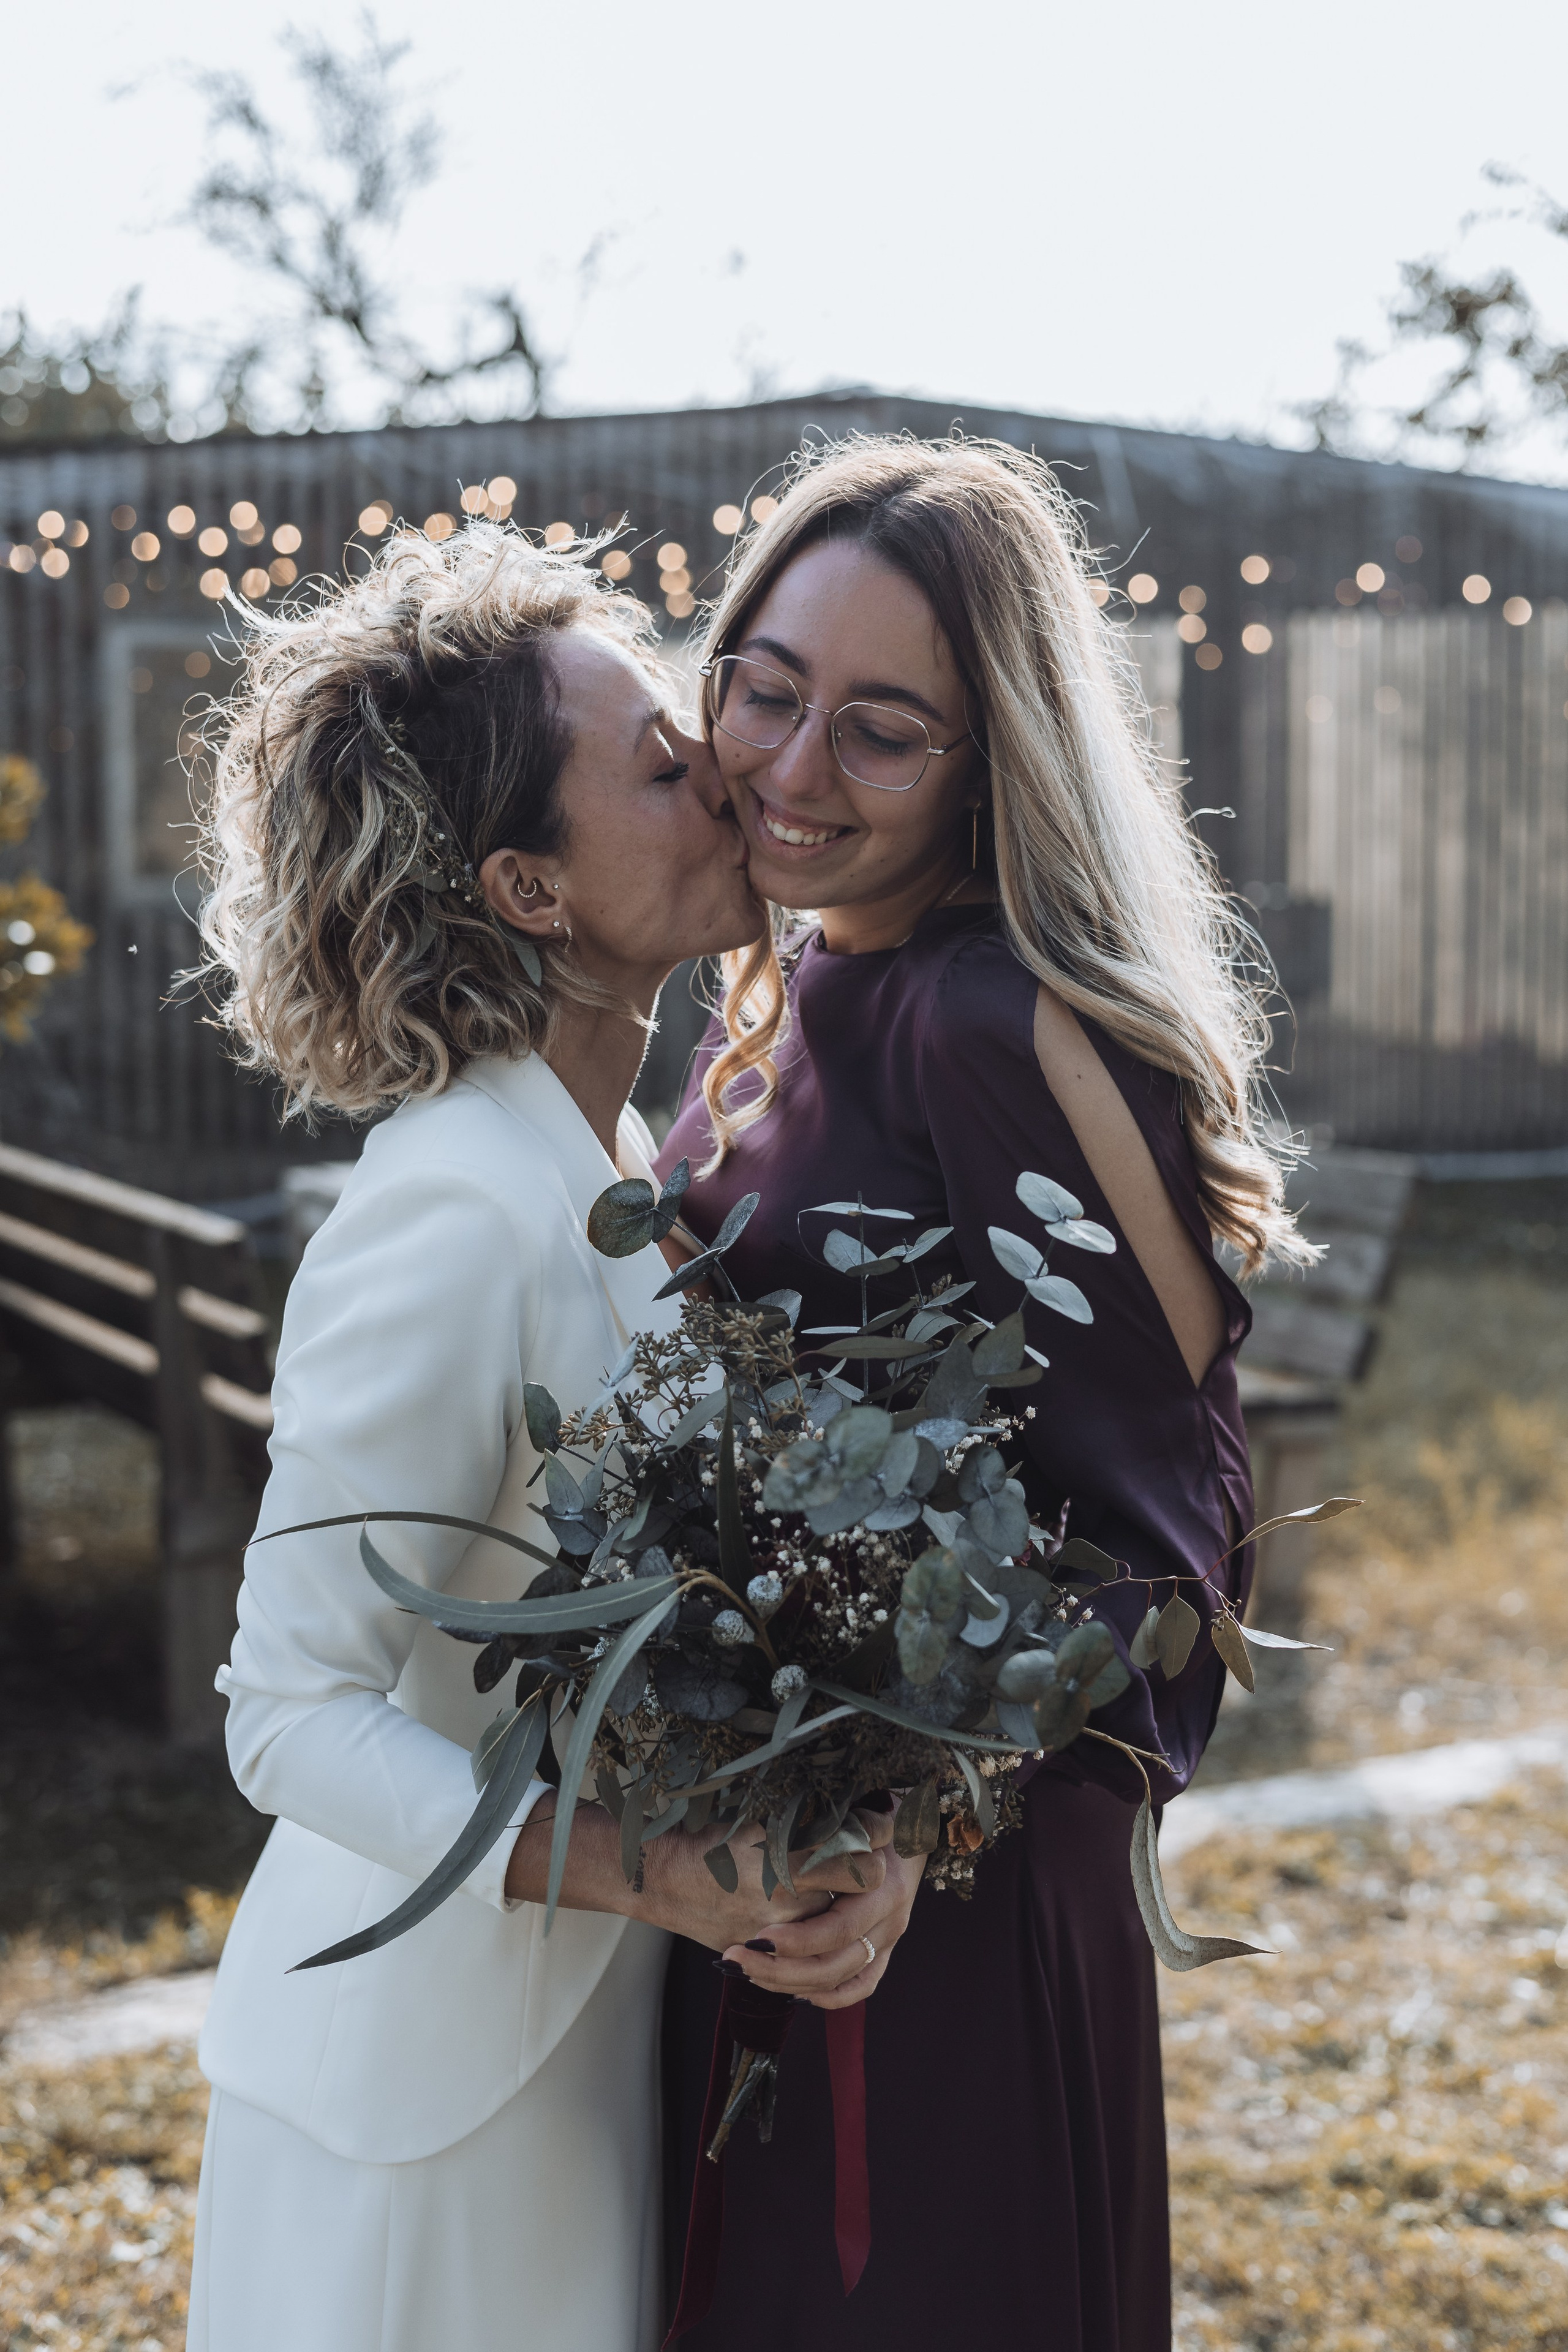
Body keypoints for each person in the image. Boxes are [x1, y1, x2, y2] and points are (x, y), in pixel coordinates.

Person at [185, 518, 891, 2352]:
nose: (727, 778)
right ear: (528, 888)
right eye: (662, 768)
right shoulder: (450, 1208)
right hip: (416, 2107)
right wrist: (660, 1873)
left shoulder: (616, 1166)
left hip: (577, 2051)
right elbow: (289, 1709)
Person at [657, 435, 1311, 2351]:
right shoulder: (780, 989)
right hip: (763, 1884)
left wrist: (913, 1815)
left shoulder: (1002, 1024)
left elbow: (1175, 1535)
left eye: (880, 732)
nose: (793, 768)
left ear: (988, 761)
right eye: (766, 691)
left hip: (948, 1919)